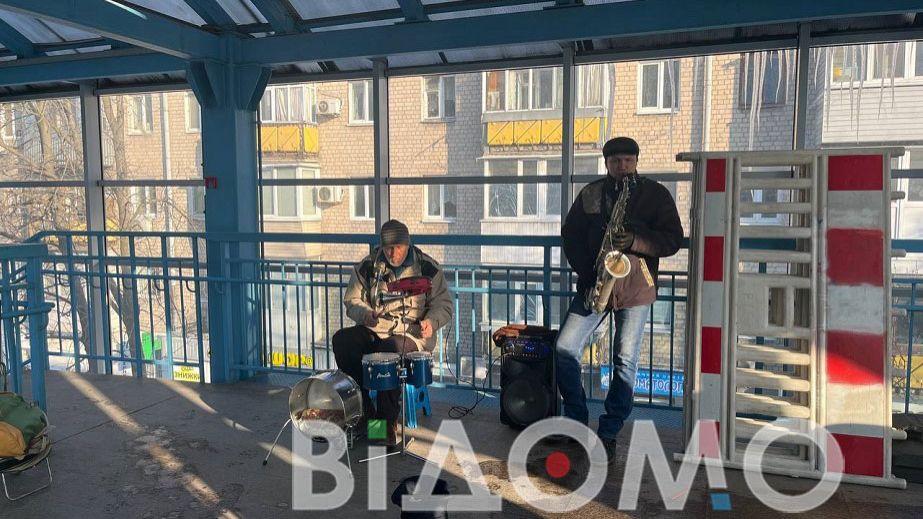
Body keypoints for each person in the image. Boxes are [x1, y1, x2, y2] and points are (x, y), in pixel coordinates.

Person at [555, 137, 683, 463]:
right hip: (596, 283)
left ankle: (609, 432)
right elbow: (570, 234)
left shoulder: (655, 194)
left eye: (627, 161)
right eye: (615, 162)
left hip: (635, 289)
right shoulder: (592, 193)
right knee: (564, 348)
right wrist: (587, 273)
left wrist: (637, 240)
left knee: (625, 362)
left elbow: (673, 239)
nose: (621, 167)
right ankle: (575, 418)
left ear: (637, 161)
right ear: (606, 163)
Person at [333, 219, 453, 446]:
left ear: (407, 244)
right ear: (381, 246)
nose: (393, 253)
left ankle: (385, 424)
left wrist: (431, 322)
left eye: (398, 247)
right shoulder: (368, 266)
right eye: (388, 248)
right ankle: (365, 413)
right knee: (343, 341)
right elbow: (352, 300)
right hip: (377, 327)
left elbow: (444, 304)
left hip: (411, 333)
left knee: (389, 352)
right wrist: (365, 313)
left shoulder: (426, 267)